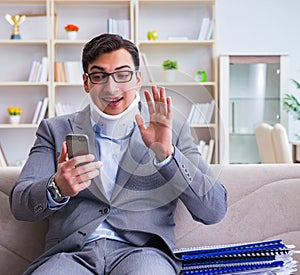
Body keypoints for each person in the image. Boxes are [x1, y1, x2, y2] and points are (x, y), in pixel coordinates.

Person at [10, 33, 227, 275]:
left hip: (143, 253)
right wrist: (57, 187)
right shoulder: (55, 130)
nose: (111, 88)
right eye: (99, 76)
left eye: (123, 75)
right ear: (86, 82)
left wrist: (167, 155)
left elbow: (214, 209)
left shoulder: (172, 131)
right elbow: (20, 204)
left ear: (137, 79)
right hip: (71, 254)